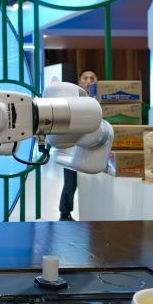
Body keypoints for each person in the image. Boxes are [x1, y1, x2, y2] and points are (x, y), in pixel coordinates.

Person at [58, 69, 99, 221]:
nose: (89, 81)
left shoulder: (100, 101)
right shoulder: (73, 99)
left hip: (94, 146)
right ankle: (65, 213)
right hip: (73, 146)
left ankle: (93, 214)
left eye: (92, 78)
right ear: (79, 81)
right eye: (85, 78)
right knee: (71, 181)